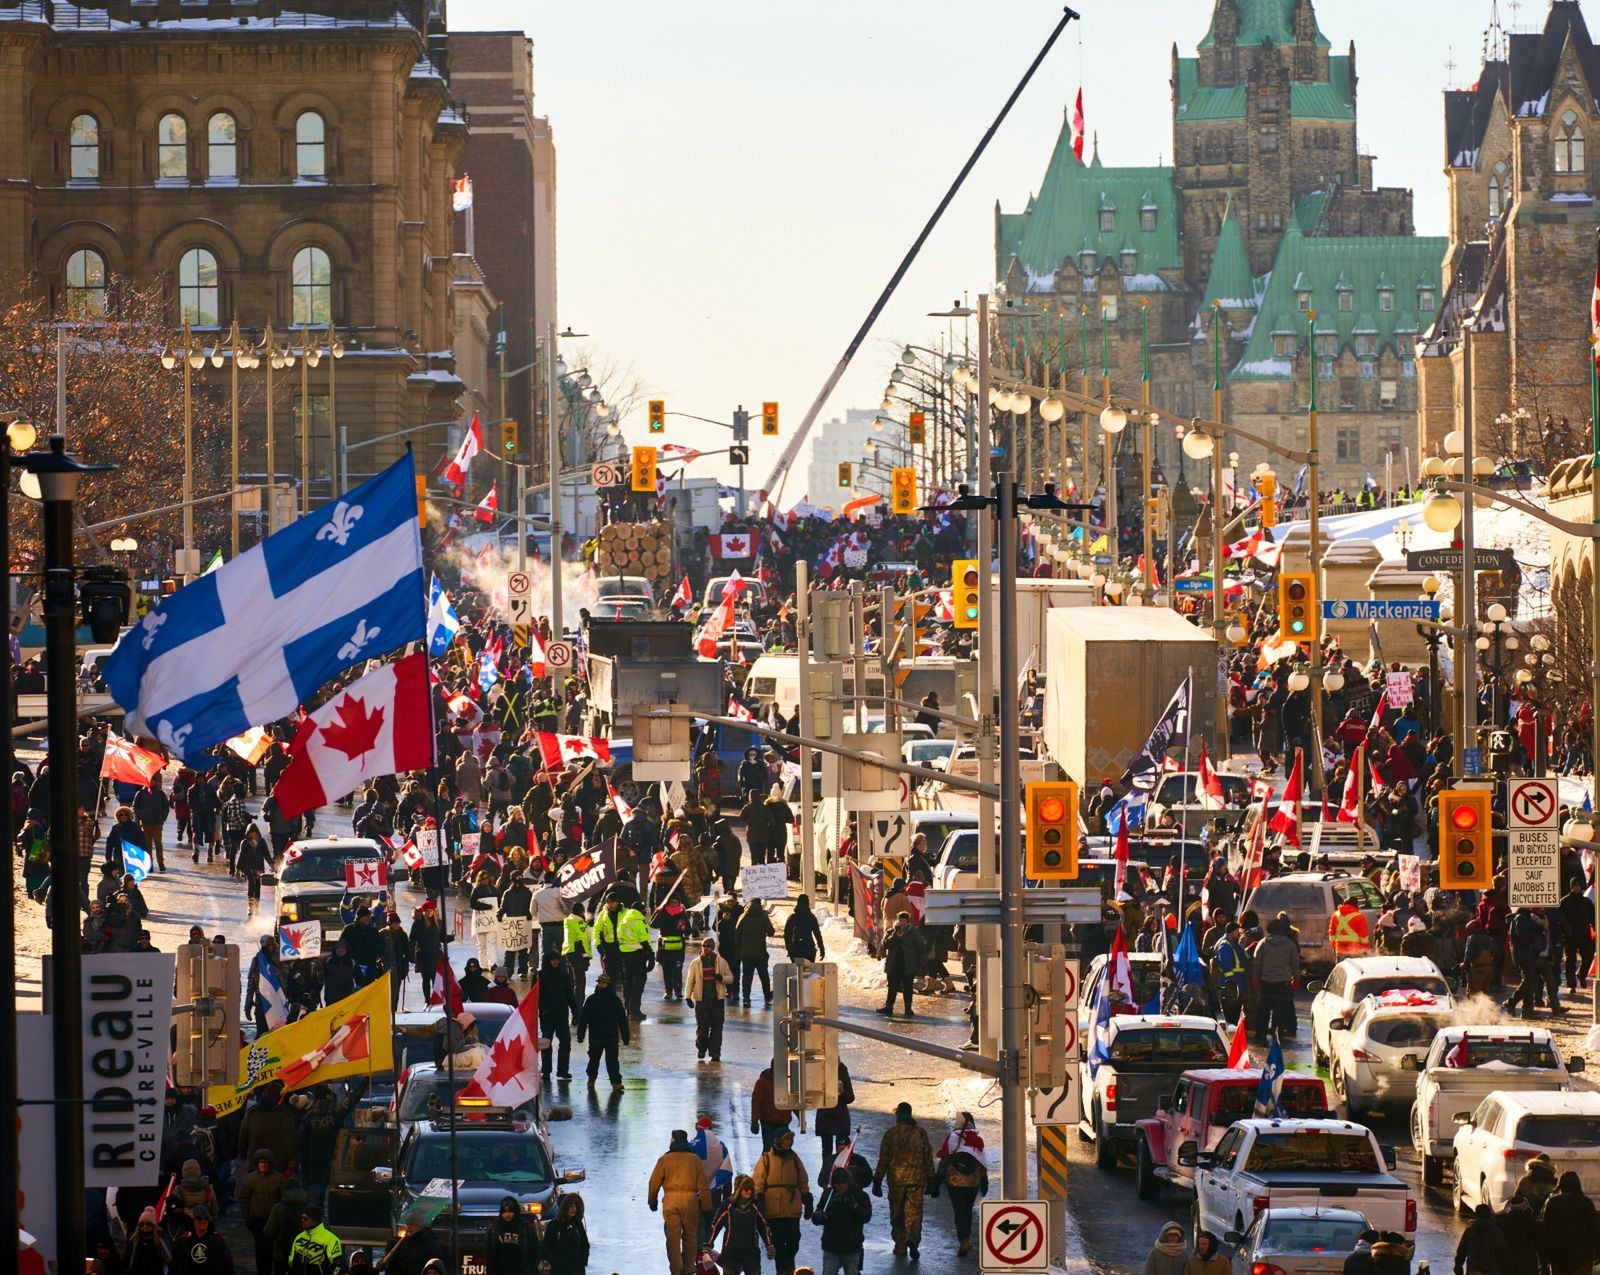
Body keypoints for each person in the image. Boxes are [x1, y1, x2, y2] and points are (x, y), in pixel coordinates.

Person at [872, 1101, 934, 1260]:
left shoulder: (891, 1133)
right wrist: (932, 1179)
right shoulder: (920, 1133)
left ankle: (900, 1245)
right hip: (917, 1181)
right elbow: (928, 1157)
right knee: (914, 1214)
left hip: (896, 1181)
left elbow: (883, 1159)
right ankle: (912, 1239)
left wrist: (877, 1180)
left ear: (898, 1114)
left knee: (897, 1213)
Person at [648, 1128, 715, 1275]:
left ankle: (677, 1270)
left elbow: (653, 1183)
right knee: (690, 1236)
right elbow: (703, 1186)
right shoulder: (694, 1160)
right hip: (690, 1201)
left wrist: (652, 1202)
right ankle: (689, 1269)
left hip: (671, 1201)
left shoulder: (664, 1160)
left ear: (673, 1140)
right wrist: (707, 1207)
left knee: (672, 1238)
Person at [754, 1127, 811, 1275]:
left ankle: (788, 1260)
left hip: (792, 1207)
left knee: (794, 1240)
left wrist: (806, 1197)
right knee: (778, 1242)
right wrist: (759, 1198)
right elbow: (758, 1181)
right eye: (786, 1139)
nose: (788, 1142)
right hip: (773, 1209)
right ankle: (782, 1270)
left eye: (790, 1140)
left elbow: (802, 1179)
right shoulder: (766, 1158)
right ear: (779, 1141)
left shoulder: (794, 1158)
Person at [934, 1112, 987, 1257]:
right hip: (973, 1181)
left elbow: (944, 1159)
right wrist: (984, 1180)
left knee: (959, 1211)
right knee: (968, 1210)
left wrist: (936, 1180)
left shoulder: (953, 1137)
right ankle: (967, 1240)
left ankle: (963, 1242)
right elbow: (982, 1161)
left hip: (955, 1180)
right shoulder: (977, 1139)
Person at [708, 1175, 775, 1275]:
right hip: (731, 1251)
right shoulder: (728, 1205)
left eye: (751, 1189)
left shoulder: (755, 1206)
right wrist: (709, 1243)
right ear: (739, 1189)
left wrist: (769, 1244)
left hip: (751, 1251)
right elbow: (716, 1225)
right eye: (746, 1189)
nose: (749, 1191)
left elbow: (764, 1227)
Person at [575, 971, 629, 1092]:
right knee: (593, 1060)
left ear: (608, 984)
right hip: (596, 1036)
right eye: (599, 982)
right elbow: (584, 1018)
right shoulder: (592, 1000)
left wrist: (626, 1037)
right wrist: (580, 1034)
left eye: (603, 982)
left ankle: (616, 1082)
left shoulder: (615, 1000)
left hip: (611, 1037)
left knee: (612, 1062)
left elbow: (622, 1019)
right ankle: (591, 1080)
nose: (601, 984)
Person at [1539, 1170, 1599, 1275]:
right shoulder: (1585, 1202)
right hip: (1582, 1256)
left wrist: (1544, 1258)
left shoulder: (1552, 1203)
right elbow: (1595, 1229)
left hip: (1558, 1256)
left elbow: (1544, 1230)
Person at [814, 1165, 871, 1275]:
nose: (841, 1186)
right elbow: (818, 1213)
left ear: (848, 1182)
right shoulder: (828, 1195)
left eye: (843, 1183)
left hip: (851, 1246)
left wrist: (854, 1206)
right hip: (831, 1245)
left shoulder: (859, 1195)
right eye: (838, 1183)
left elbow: (866, 1216)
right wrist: (819, 1216)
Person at [686, 936, 734, 1062]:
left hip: (717, 1000)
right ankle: (701, 1049)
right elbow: (690, 980)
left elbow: (730, 978)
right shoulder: (695, 963)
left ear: (713, 948)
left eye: (708, 946)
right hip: (701, 1000)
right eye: (704, 946)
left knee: (717, 1028)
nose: (706, 948)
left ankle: (715, 1052)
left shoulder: (721, 961)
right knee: (703, 1027)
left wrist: (721, 978)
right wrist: (688, 997)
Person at [237, 1148, 285, 1275]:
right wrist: (246, 1217)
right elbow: (243, 1198)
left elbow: (283, 1198)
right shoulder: (250, 1179)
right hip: (257, 1219)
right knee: (260, 1250)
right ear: (256, 1163)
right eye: (260, 1162)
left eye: (265, 1162)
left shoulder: (278, 1178)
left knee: (274, 1250)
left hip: (273, 1219)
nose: (263, 1164)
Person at [538, 951, 579, 1081]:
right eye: (553, 960)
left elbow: (569, 993)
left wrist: (575, 1010)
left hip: (561, 1014)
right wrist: (542, 1009)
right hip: (547, 1016)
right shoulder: (541, 975)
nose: (555, 962)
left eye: (557, 960)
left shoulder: (563, 975)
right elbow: (536, 996)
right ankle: (546, 1071)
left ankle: (563, 1071)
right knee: (546, 1044)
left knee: (565, 1042)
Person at [879, 913, 927, 1019]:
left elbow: (921, 948)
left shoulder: (913, 932)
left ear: (908, 921)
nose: (902, 922)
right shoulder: (892, 931)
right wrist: (895, 936)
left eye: (904, 920)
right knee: (892, 987)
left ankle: (908, 1008)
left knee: (908, 988)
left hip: (908, 965)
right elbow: (886, 944)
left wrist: (922, 963)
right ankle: (888, 1007)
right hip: (894, 964)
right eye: (900, 920)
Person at [813, 1061, 855, 1182]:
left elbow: (850, 1097)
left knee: (839, 1152)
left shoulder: (840, 1068)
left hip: (833, 1119)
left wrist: (840, 1094)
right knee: (830, 1153)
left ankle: (837, 1180)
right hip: (831, 1119)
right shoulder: (817, 1069)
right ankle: (829, 1180)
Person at [486, 1194, 542, 1275]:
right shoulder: (494, 1228)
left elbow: (534, 1251)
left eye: (511, 1212)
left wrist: (530, 1270)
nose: (507, 1215)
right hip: (500, 1270)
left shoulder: (526, 1228)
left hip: (521, 1270)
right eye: (505, 1212)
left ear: (516, 1212)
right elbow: (488, 1252)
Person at [170, 1207, 232, 1275]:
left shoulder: (217, 1240)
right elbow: (175, 1264)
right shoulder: (184, 1240)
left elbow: (228, 1264)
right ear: (194, 1220)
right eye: (199, 1218)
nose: (203, 1221)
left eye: (206, 1218)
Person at [738, 898, 776, 1007]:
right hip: (760, 953)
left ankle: (746, 998)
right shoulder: (763, 916)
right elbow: (771, 932)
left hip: (746, 953)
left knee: (747, 977)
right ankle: (767, 996)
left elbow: (737, 931)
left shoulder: (743, 916)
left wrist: (739, 947)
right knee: (764, 975)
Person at [377, 1210, 441, 1275]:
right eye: (407, 1224)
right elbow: (394, 1262)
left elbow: (434, 1268)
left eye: (412, 1225)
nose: (408, 1227)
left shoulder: (430, 1244)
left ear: (420, 1226)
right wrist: (386, 1264)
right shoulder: (403, 1241)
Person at [1455, 1203, 1512, 1275]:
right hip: (1492, 1270)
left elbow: (1461, 1252)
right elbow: (1503, 1252)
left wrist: (1458, 1267)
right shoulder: (1496, 1232)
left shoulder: (1469, 1231)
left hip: (1473, 1270)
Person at [542, 1193, 590, 1275]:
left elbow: (585, 1245)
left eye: (575, 1206)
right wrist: (556, 1263)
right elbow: (547, 1248)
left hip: (577, 1270)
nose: (573, 1209)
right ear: (564, 1207)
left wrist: (581, 1262)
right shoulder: (554, 1225)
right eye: (570, 1206)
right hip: (559, 1270)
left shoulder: (578, 1224)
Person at [751, 1065, 793, 1151]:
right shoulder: (763, 1083)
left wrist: (801, 1117)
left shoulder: (788, 1081)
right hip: (768, 1123)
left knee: (783, 1149)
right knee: (769, 1149)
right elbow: (756, 1102)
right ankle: (767, 1163)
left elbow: (793, 1100)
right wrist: (754, 1121)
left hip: (783, 1122)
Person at [783, 895, 826, 962]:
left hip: (795, 949)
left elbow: (787, 934)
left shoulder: (792, 917)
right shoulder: (811, 917)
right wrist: (821, 948)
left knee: (796, 970)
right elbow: (817, 933)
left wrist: (789, 948)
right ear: (808, 903)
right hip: (809, 949)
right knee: (809, 971)